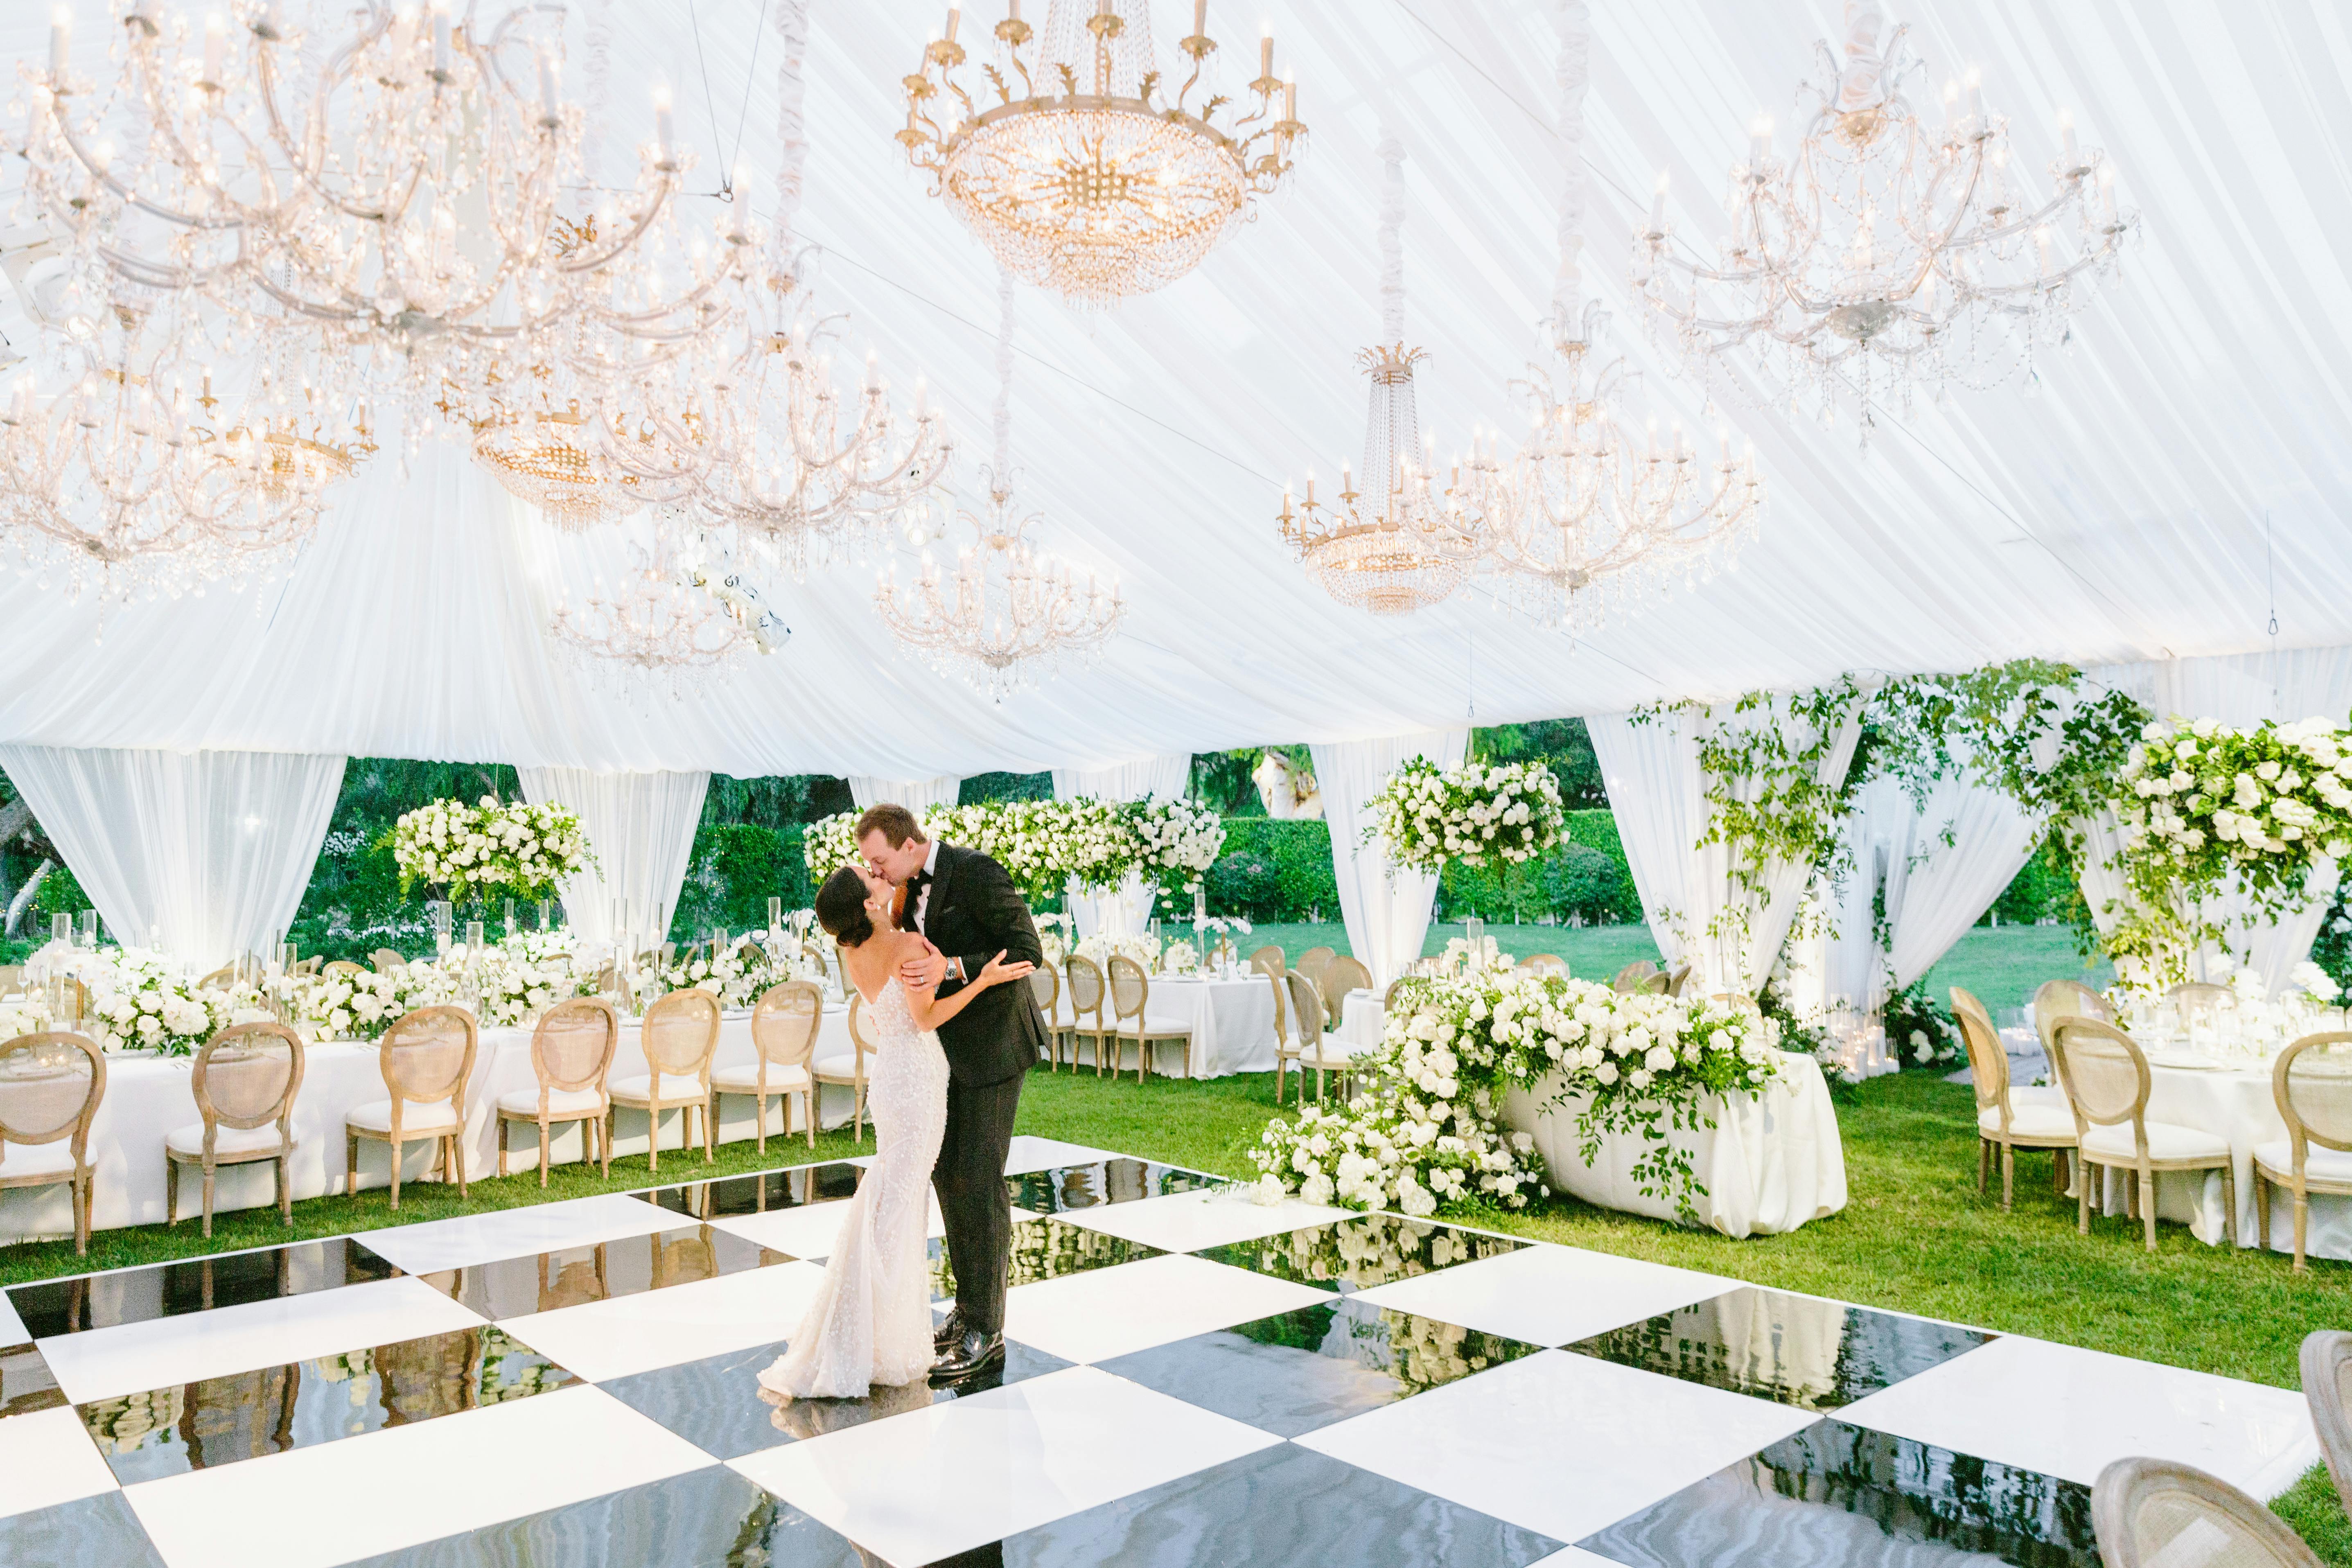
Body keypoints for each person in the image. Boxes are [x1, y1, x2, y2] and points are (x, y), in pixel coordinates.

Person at [755, 862, 1032, 1401]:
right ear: (865, 904)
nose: (885, 881)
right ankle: (870, 1331)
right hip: (919, 1079)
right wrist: (984, 980)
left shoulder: (853, 950)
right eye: (874, 881)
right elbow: (927, 1019)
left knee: (891, 1195)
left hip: (889, 1079)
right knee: (901, 1203)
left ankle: (868, 1324)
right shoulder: (907, 945)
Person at [858, 802, 1048, 1380]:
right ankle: (967, 1314)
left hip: (993, 1051)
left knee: (979, 1181)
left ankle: (987, 1330)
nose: (875, 869)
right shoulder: (899, 890)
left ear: (911, 843)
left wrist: (955, 969)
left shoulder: (977, 872)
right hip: (939, 1058)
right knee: (946, 1177)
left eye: (879, 859)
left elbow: (1027, 950)